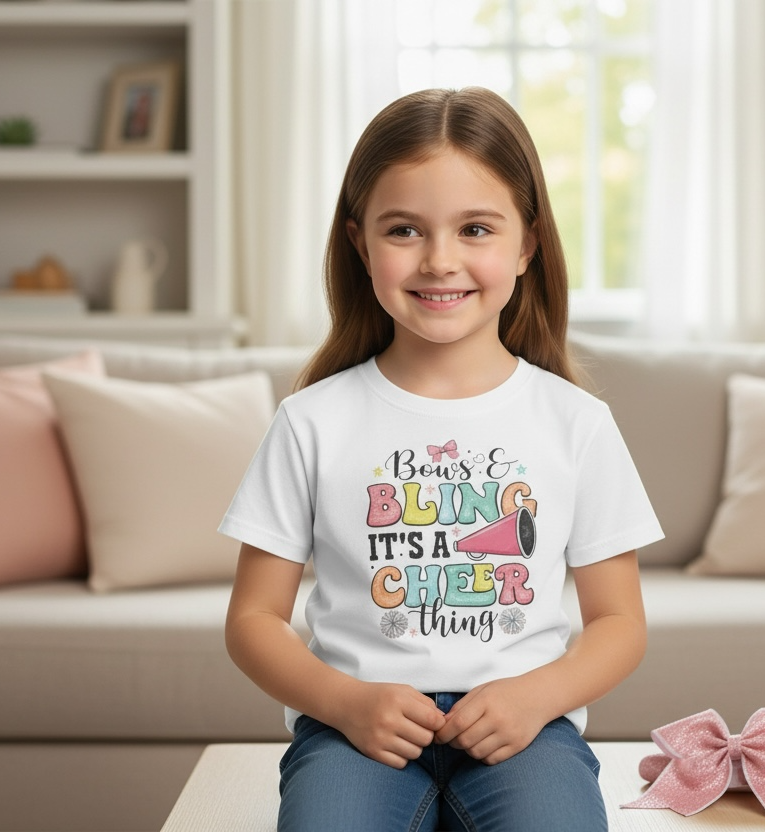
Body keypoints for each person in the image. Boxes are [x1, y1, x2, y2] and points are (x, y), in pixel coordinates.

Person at [221, 87, 663, 832]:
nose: (440, 260)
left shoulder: (576, 422)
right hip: (353, 730)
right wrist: (344, 704)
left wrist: (537, 697)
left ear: (527, 244)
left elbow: (620, 622)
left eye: (476, 228)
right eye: (404, 230)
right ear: (360, 243)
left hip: (526, 729)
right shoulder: (311, 421)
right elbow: (254, 619)